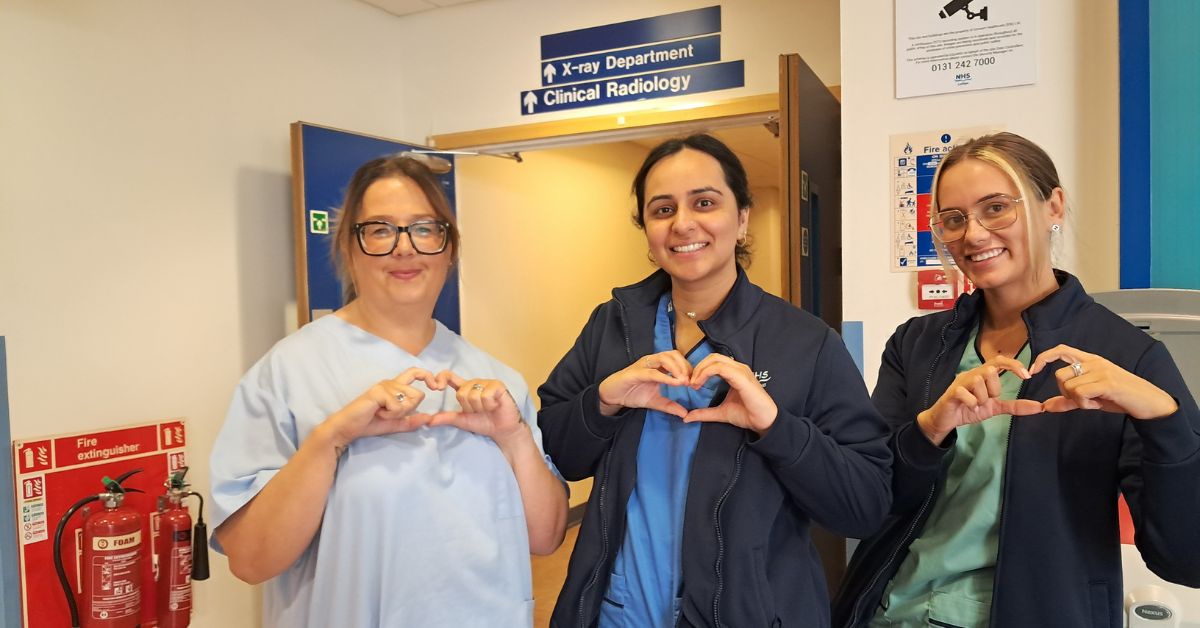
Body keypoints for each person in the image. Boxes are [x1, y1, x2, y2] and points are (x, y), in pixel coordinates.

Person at [833, 132, 1200, 627]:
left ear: (1053, 207)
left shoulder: (1128, 356)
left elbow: (1185, 555)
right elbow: (870, 501)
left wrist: (1163, 419)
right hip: (891, 612)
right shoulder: (917, 344)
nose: (974, 234)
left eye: (996, 208)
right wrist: (929, 430)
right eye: (954, 219)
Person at [538, 134, 893, 628]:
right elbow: (559, 449)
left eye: (704, 202)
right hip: (618, 614)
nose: (683, 223)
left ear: (742, 218)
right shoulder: (613, 325)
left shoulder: (805, 343)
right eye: (662, 209)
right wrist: (602, 402)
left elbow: (865, 505)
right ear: (646, 228)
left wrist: (775, 427)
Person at [208, 155, 568, 627]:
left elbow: (546, 537)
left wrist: (515, 437)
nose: (405, 249)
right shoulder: (289, 373)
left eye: (424, 229)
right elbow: (250, 561)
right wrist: (329, 439)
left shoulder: (493, 378)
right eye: (379, 230)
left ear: (449, 248)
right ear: (348, 248)